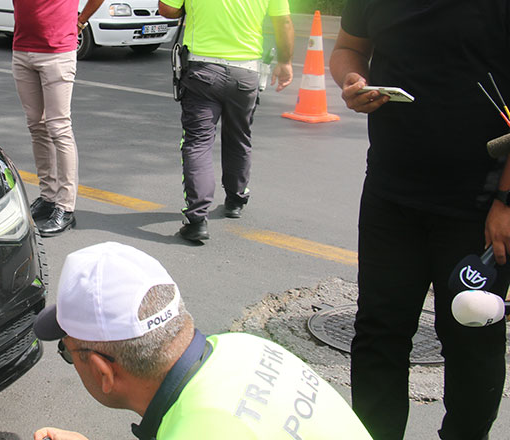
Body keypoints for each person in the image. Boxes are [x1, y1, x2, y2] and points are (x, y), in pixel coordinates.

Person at [328, 2, 510, 439]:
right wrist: (352, 81)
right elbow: (348, 48)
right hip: (390, 194)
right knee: (378, 333)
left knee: (472, 336)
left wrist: (506, 201)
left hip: (479, 206)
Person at [32, 241, 372, 440]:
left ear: (102, 371)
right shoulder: (244, 347)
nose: (68, 356)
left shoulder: (195, 429)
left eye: (68, 350)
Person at [157, 0, 293, 242]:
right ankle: (235, 200)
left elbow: (166, 9)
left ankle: (197, 219)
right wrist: (285, 62)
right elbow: (283, 21)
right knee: (239, 138)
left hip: (202, 71)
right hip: (246, 72)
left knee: (197, 143)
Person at [12, 0, 103, 237]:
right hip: (22, 49)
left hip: (57, 51)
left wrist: (81, 20)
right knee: (36, 126)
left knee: (58, 128)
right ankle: (48, 197)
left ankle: (65, 206)